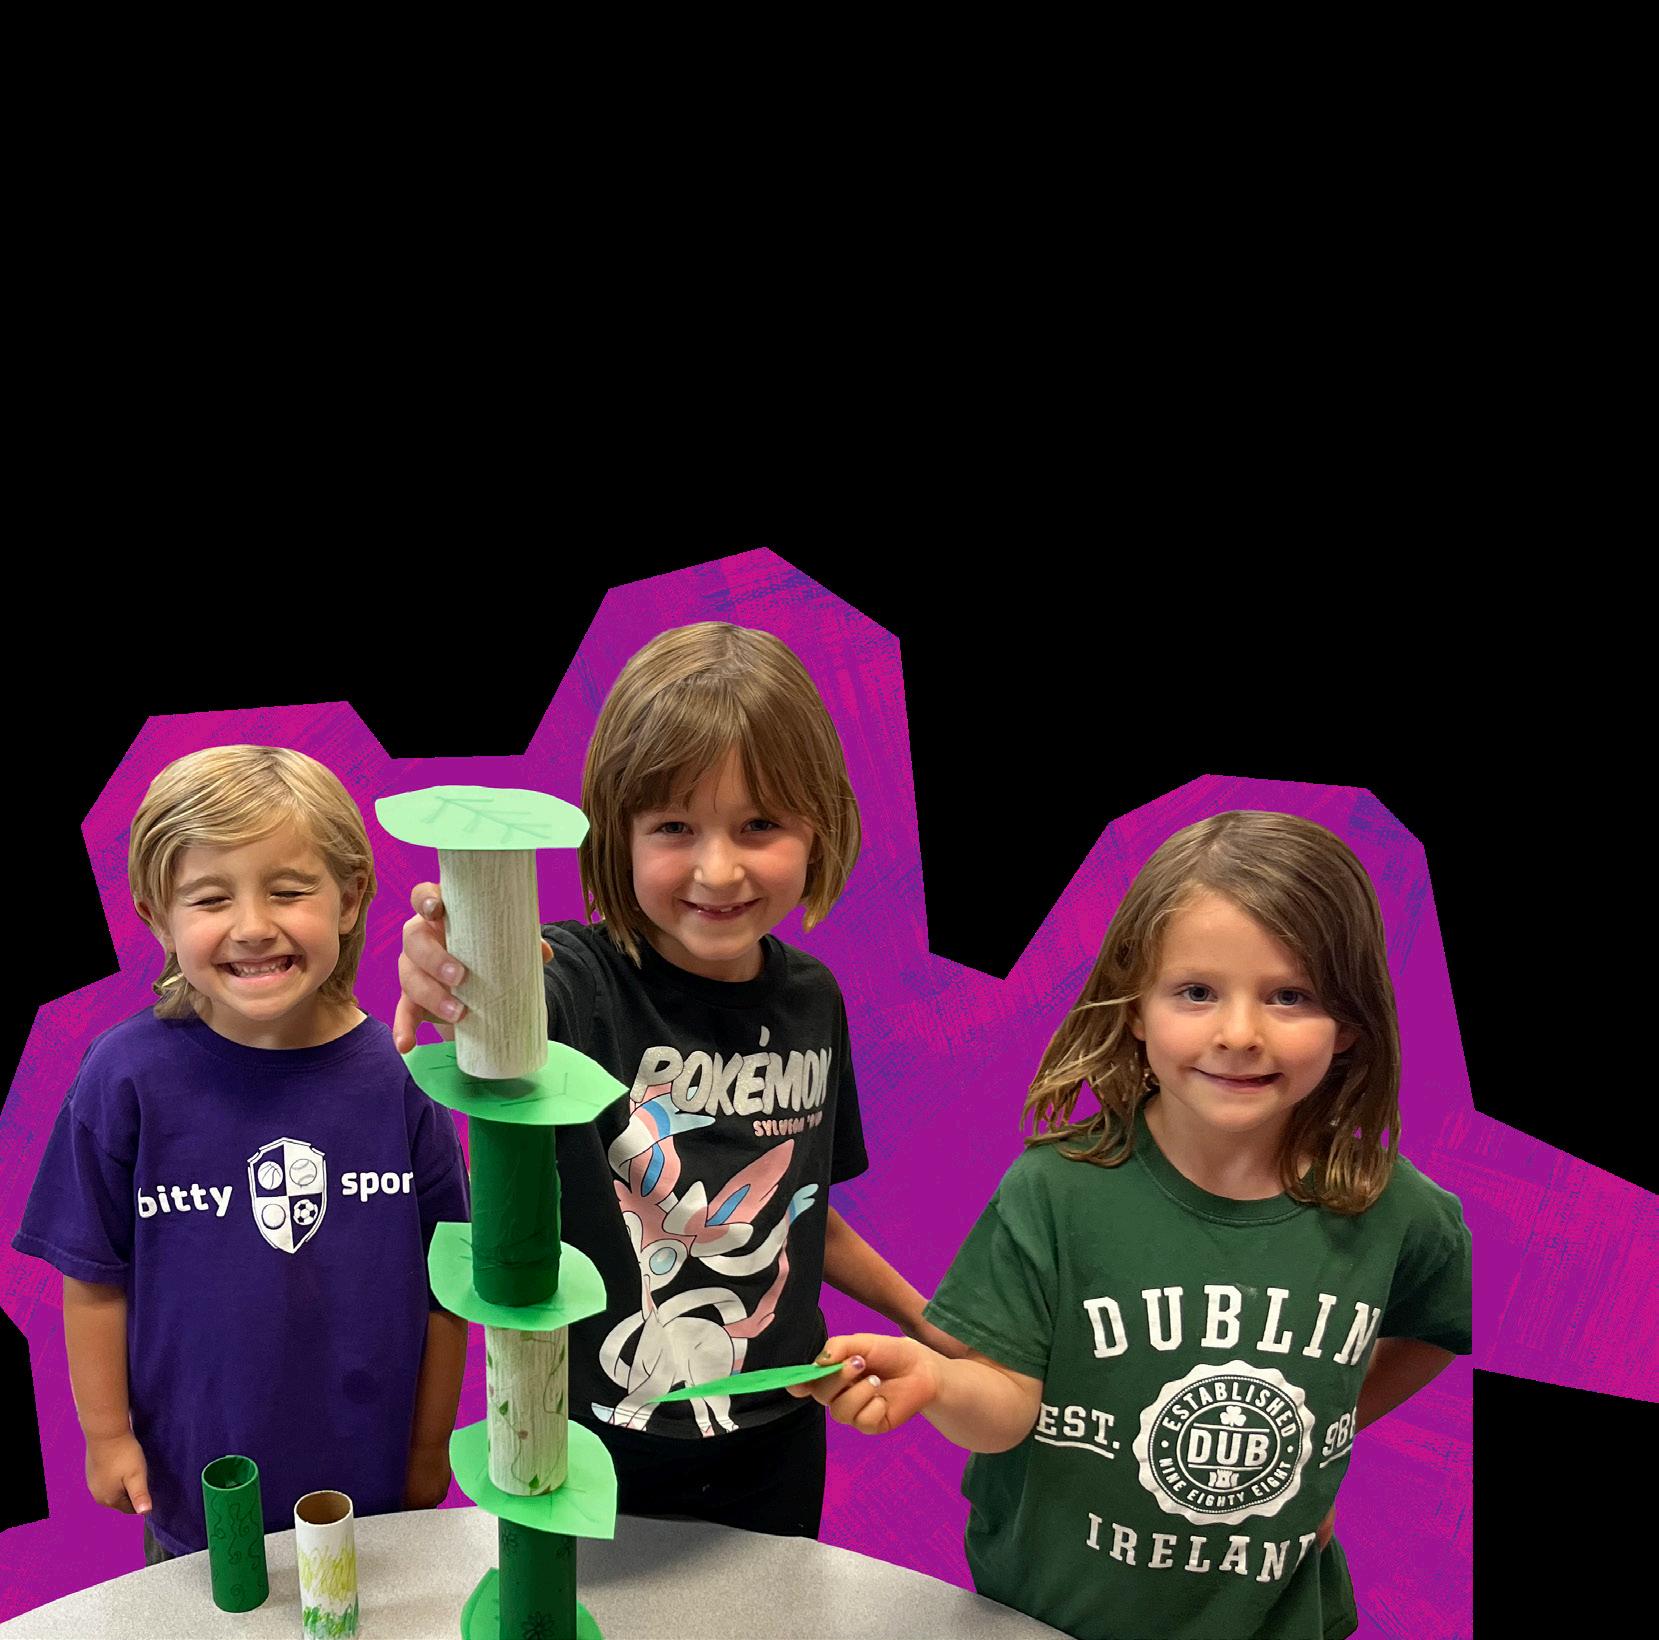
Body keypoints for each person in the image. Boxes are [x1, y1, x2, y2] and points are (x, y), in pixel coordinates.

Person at [789, 810, 1472, 1640]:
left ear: (1350, 1023)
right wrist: (931, 1381)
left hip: (1280, 1620)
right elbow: (1005, 1409)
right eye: (1196, 992)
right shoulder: (1056, 1192)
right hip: (1049, 1618)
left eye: (1290, 996)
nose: (1238, 1034)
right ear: (1136, 1004)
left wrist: (1322, 1434)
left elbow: (1437, 1327)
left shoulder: (1393, 1209)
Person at [394, 622, 962, 1539]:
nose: (719, 869)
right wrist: (460, 961)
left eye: (760, 825)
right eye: (673, 827)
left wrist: (922, 1317)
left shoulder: (814, 1000)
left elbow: (803, 1215)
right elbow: (504, 988)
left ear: (819, 826)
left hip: (777, 1434)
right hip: (587, 1444)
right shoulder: (574, 982)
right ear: (616, 835)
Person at [13, 746, 470, 1562]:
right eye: (211, 897)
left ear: (349, 898)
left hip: (376, 1503)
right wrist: (106, 1434)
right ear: (157, 915)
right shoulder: (123, 1077)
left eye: (288, 890)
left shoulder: (403, 1078)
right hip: (196, 1497)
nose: (254, 925)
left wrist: (430, 1445)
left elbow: (449, 1290)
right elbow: (93, 1280)